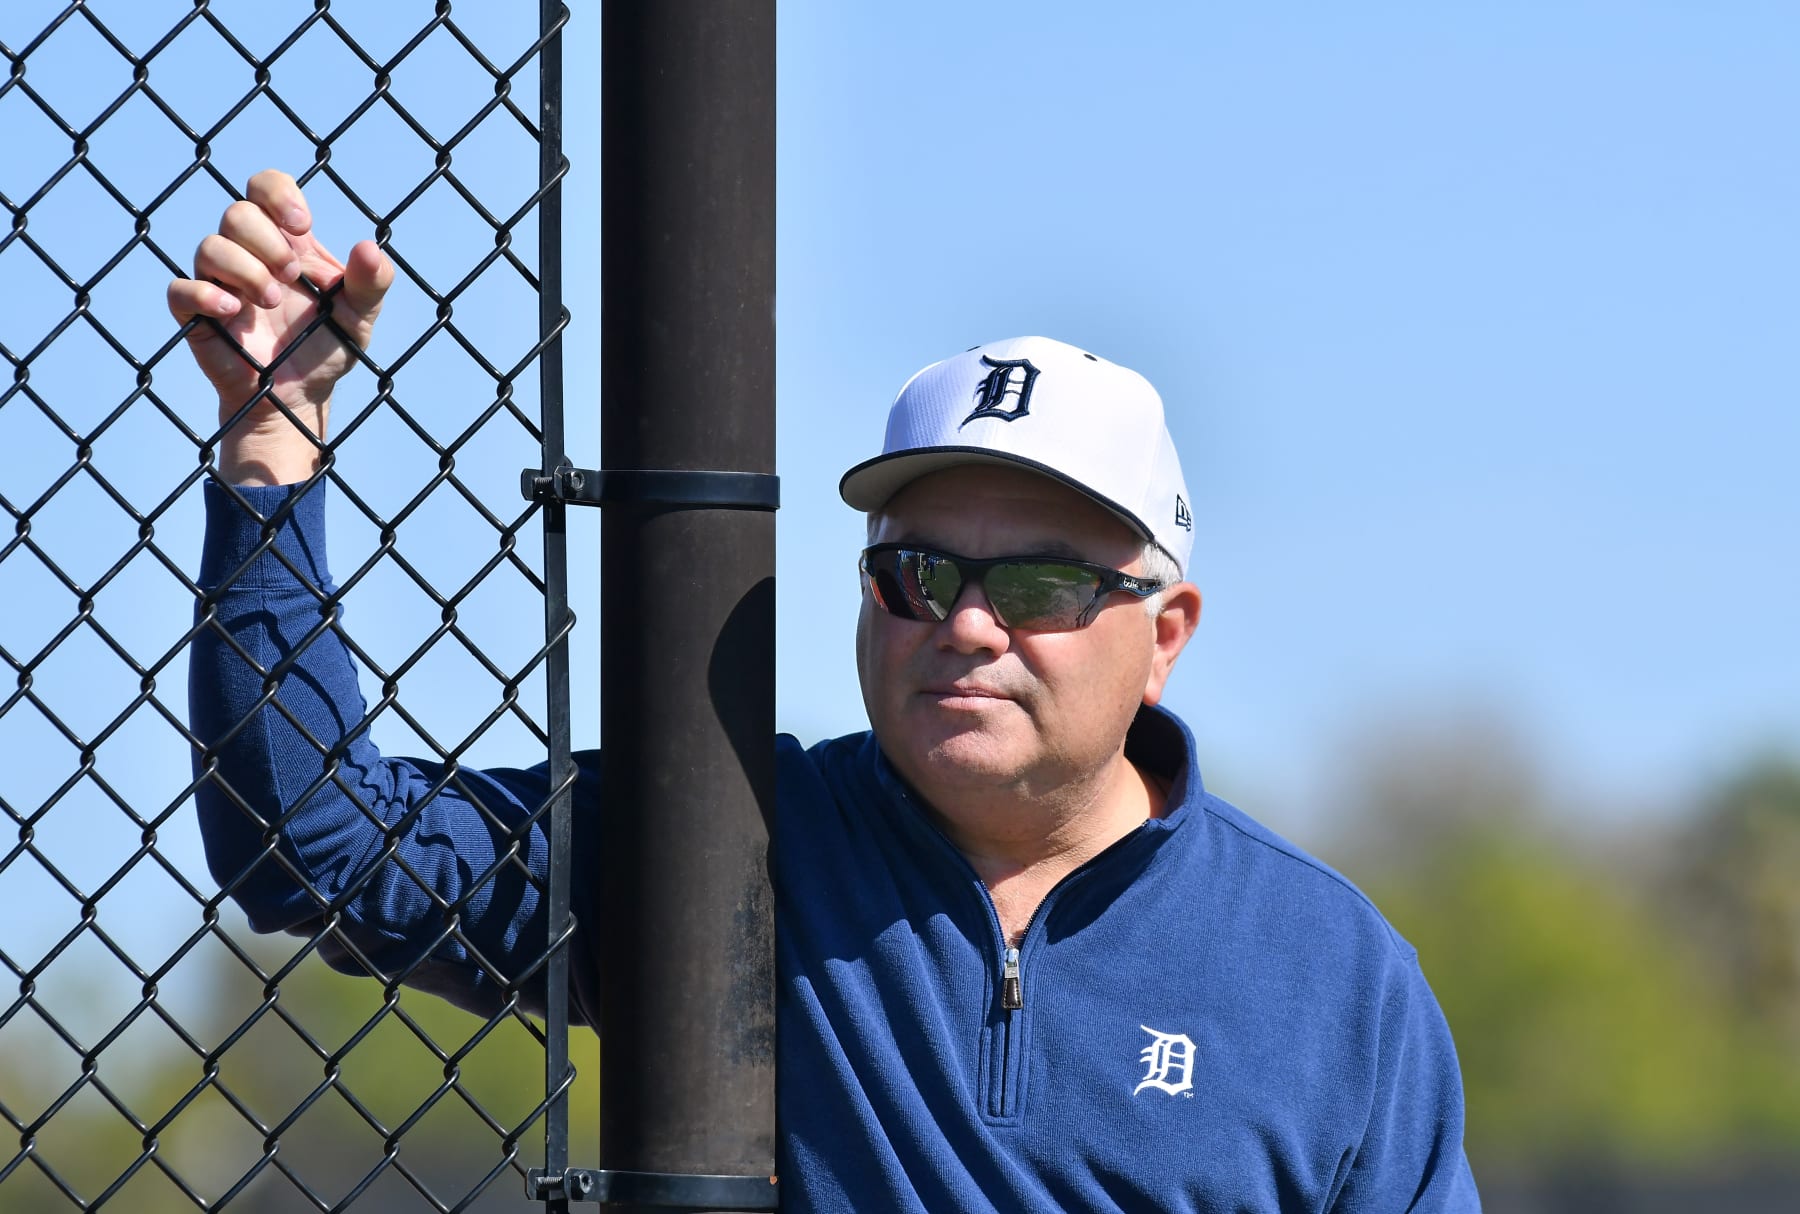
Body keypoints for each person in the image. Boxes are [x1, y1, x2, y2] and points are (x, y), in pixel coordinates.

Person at [171, 170, 1481, 1212]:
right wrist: (273, 443)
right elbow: (319, 841)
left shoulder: (1332, 975)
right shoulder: (734, 834)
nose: (966, 623)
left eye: (1032, 586)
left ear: (1167, 630)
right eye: (916, 573)